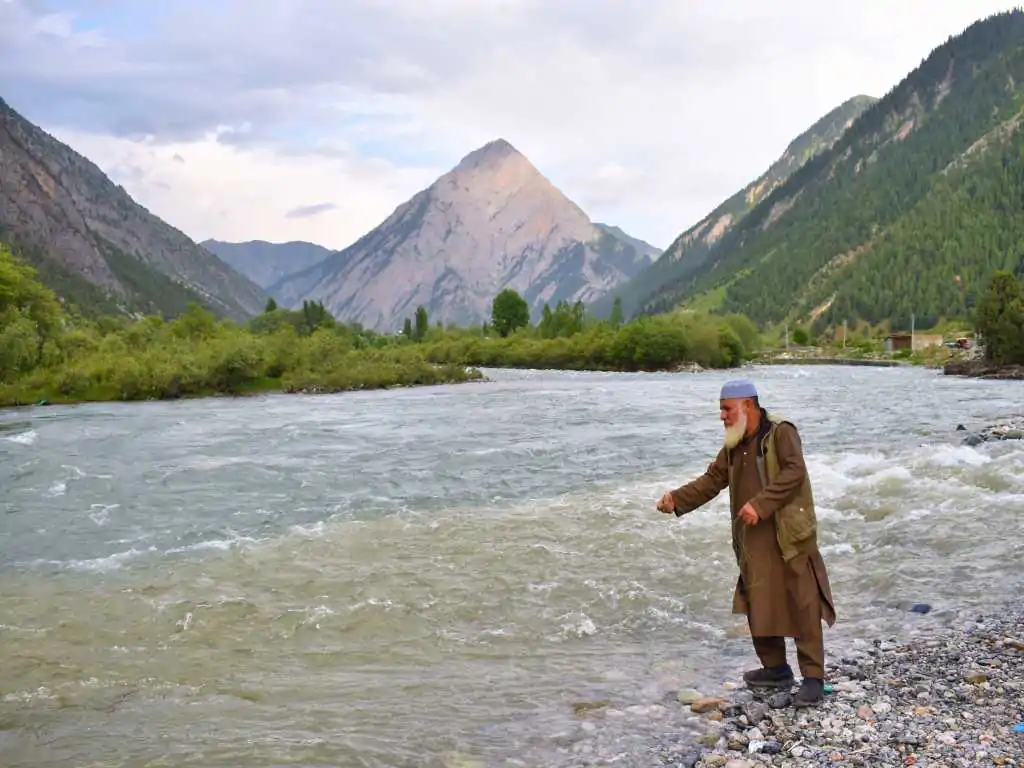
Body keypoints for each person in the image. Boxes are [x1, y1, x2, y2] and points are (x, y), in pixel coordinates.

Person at [657, 378, 836, 708]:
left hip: (788, 534)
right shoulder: (733, 442)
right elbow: (713, 479)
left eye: (726, 409)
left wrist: (761, 503)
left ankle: (813, 678)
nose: (722, 416)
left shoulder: (781, 432)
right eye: (721, 410)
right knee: (758, 601)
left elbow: (795, 472)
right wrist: (676, 499)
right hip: (752, 537)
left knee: (802, 602)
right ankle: (776, 670)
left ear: (748, 406)